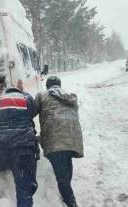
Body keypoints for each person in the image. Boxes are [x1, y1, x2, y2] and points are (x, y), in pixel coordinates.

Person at [0, 85, 38, 207]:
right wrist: (24, 91)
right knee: (24, 190)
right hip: (24, 149)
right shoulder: (27, 99)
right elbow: (34, 110)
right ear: (19, 91)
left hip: (3, 149)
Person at [35, 76, 83, 207]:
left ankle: (71, 203)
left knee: (62, 181)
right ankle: (65, 199)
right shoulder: (70, 97)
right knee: (65, 176)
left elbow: (29, 113)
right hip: (72, 141)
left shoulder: (42, 96)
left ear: (47, 86)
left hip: (55, 142)